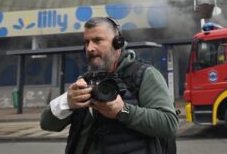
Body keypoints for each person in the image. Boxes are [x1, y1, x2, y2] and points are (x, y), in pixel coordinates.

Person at [40, 17, 178, 154]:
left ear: (118, 43)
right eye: (87, 42)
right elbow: (46, 123)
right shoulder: (86, 80)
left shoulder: (144, 75)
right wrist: (68, 102)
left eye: (97, 40)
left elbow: (169, 124)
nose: (89, 48)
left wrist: (123, 111)